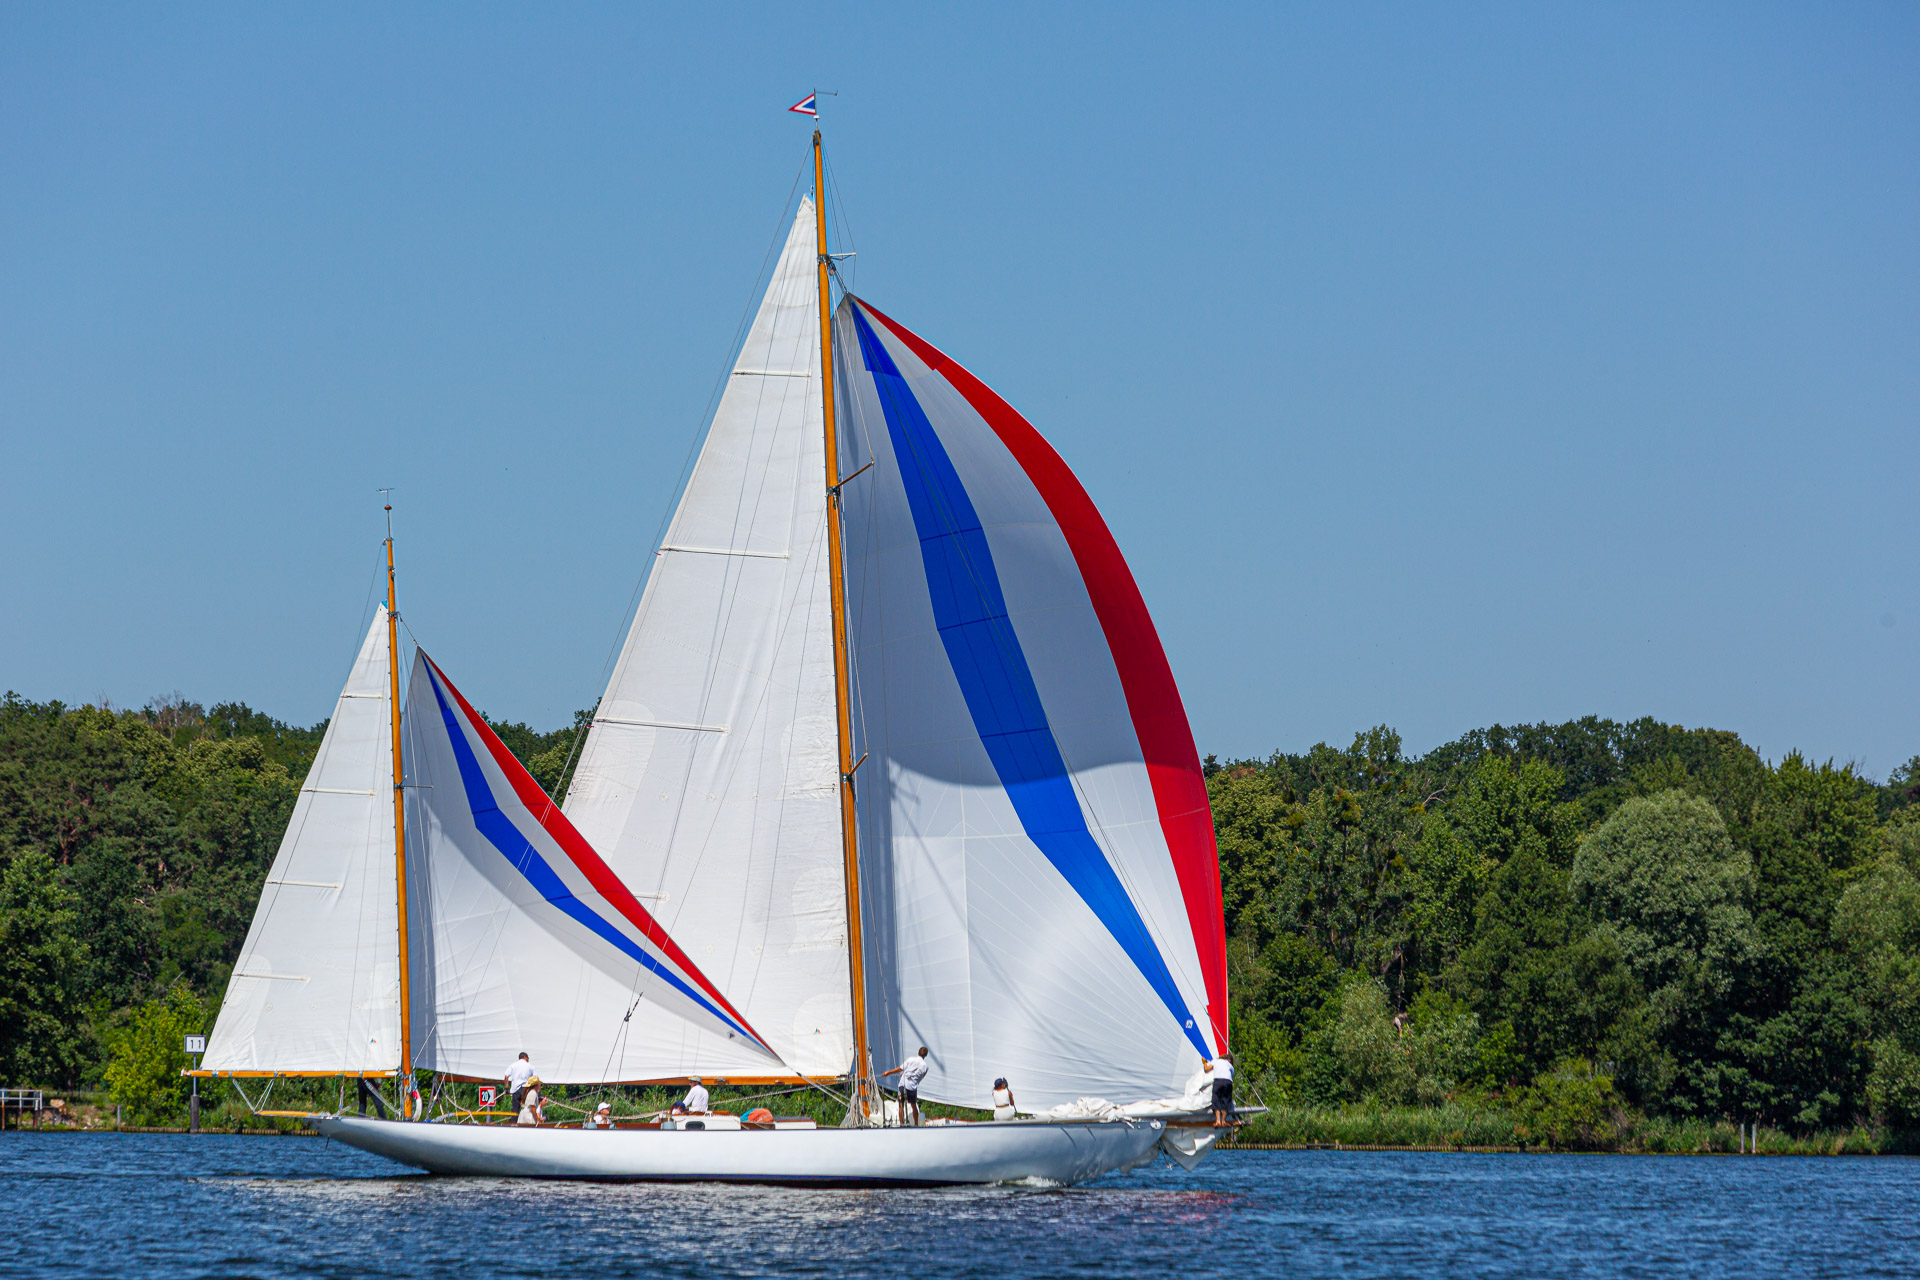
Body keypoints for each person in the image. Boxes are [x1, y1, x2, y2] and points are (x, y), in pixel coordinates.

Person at [881, 1046, 931, 1127]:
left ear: (918, 1052)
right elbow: (919, 1077)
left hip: (903, 1085)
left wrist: (888, 1072)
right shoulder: (925, 1066)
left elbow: (900, 1069)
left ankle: (901, 1124)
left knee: (901, 1105)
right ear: (926, 1055)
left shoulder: (911, 1059)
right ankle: (916, 1124)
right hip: (912, 1087)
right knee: (913, 1106)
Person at [1207, 1052, 1235, 1126]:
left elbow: (1207, 1068)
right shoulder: (1230, 1066)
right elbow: (1231, 1076)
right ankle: (1224, 1121)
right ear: (1229, 1060)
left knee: (1216, 1099)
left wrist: (1204, 1063)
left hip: (1218, 1081)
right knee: (1226, 1100)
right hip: (1228, 1082)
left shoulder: (1216, 1061)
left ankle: (1218, 1121)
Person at [504, 1052, 534, 1117]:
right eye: (528, 1058)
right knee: (527, 1110)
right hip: (526, 1090)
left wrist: (506, 1088)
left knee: (515, 1111)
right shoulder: (530, 1066)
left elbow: (506, 1076)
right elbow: (535, 1078)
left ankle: (514, 1122)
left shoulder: (513, 1065)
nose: (528, 1060)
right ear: (525, 1057)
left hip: (516, 1090)